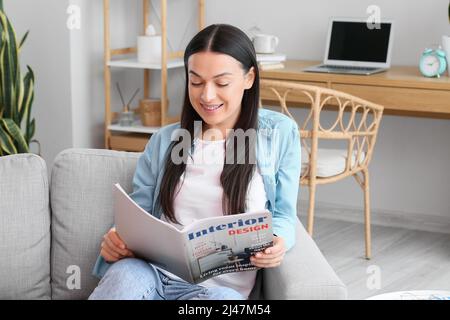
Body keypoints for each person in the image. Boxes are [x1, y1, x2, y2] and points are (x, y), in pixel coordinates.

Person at [89, 24, 301, 300]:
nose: (207, 95)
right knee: (124, 281)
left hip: (219, 291)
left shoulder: (278, 134)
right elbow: (138, 212)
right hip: (149, 274)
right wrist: (117, 239)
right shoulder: (165, 140)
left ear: (249, 78)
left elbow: (285, 214)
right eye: (196, 81)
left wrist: (279, 242)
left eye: (221, 83)